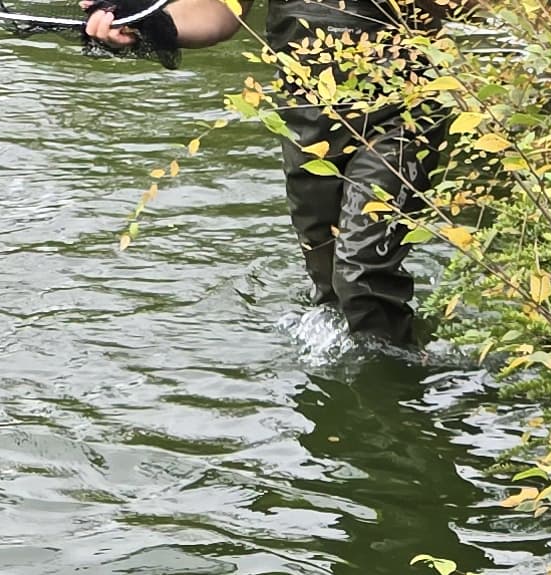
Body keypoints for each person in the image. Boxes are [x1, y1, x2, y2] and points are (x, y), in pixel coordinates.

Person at [83, 0, 441, 347]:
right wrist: (151, 21)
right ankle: (362, 375)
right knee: (329, 286)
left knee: (360, 275)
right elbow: (220, 10)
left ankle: (391, 386)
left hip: (402, 114)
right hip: (308, 117)